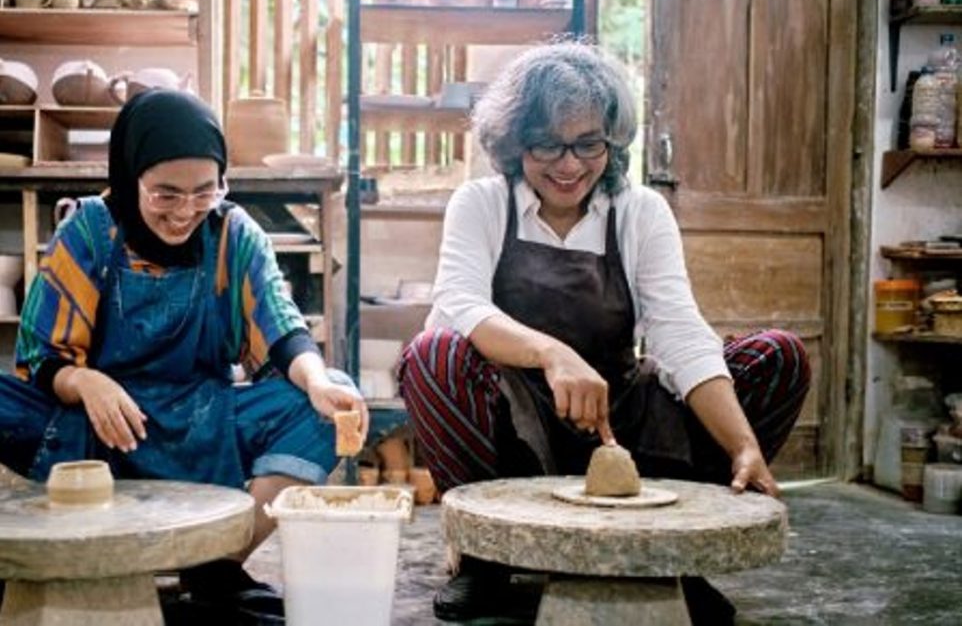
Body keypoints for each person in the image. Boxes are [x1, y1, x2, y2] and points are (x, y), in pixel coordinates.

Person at [397, 42, 811, 624]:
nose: (569, 165)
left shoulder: (639, 211)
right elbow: (457, 303)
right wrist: (550, 353)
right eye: (547, 144)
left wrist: (745, 445)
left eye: (588, 143)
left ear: (611, 141)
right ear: (515, 143)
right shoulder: (482, 203)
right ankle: (484, 563)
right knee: (432, 354)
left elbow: (678, 331)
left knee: (778, 356)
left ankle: (677, 557)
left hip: (623, 418)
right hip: (518, 422)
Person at [0, 90, 369, 622]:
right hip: (96, 427)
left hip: (201, 420)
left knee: (326, 402)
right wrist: (88, 383)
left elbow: (281, 328)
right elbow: (43, 357)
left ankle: (215, 562)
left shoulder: (232, 234)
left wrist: (315, 381)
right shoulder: (89, 229)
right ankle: (57, 553)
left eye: (204, 192)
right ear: (131, 180)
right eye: (165, 195)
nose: (186, 212)